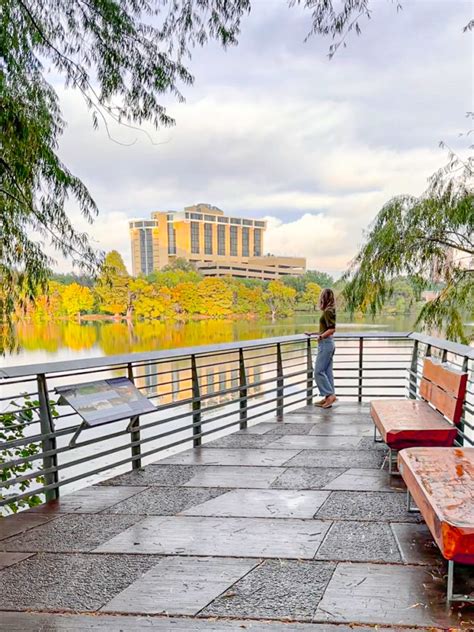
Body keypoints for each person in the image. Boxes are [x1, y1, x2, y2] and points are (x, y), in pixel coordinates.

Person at [305, 288, 337, 409]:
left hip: (326, 344)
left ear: (324, 298)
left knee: (318, 371)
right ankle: (328, 397)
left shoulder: (328, 311)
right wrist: (312, 333)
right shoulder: (330, 310)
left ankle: (330, 396)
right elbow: (326, 329)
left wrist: (321, 337)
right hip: (328, 343)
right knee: (327, 372)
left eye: (321, 297)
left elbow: (332, 329)